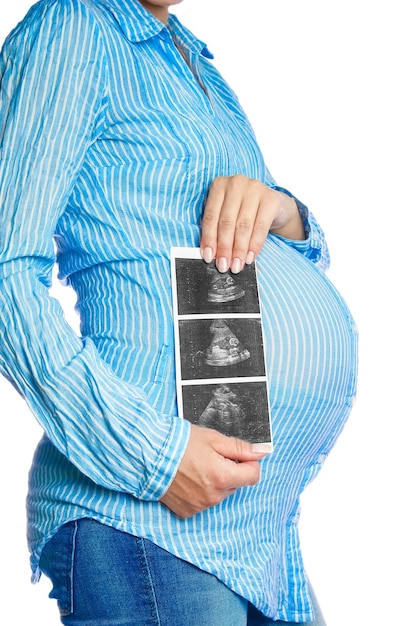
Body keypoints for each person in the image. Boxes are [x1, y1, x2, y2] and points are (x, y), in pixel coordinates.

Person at [0, 0, 358, 624]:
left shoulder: (189, 57)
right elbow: (5, 272)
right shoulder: (72, 26)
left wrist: (285, 212)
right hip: (148, 518)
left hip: (257, 533)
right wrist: (156, 457)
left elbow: (271, 244)